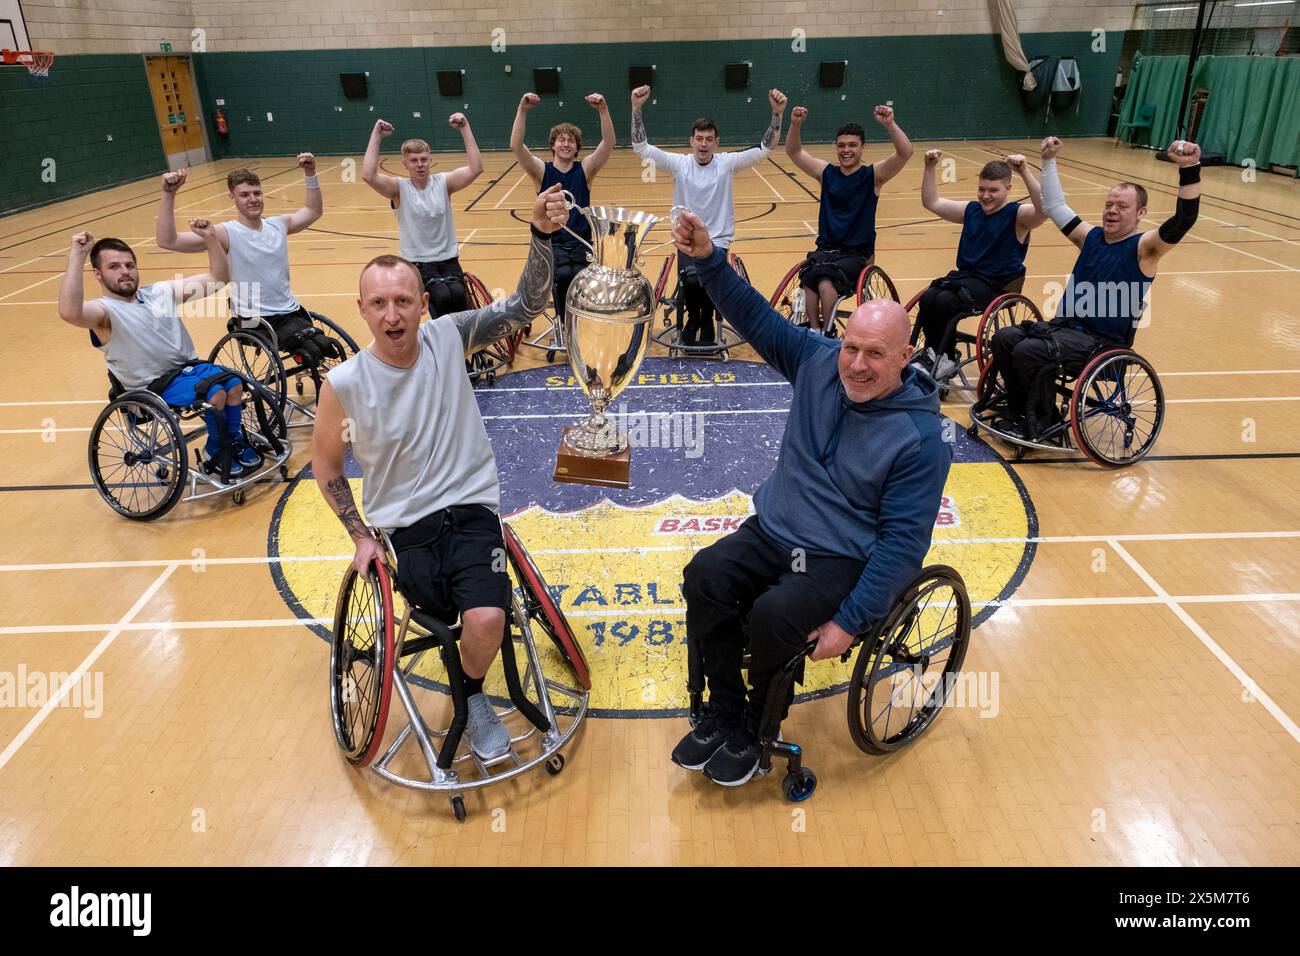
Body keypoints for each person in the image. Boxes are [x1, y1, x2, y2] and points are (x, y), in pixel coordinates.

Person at [667, 210, 953, 786]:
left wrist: (849, 623)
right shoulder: (817, 360)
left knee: (774, 616)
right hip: (775, 530)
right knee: (705, 576)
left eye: (875, 354)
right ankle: (724, 708)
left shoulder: (922, 439)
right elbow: (753, 316)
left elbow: (901, 546)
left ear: (904, 357)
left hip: (837, 557)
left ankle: (756, 727)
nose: (857, 364)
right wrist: (706, 258)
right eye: (852, 347)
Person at [311, 185, 567, 760]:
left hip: (472, 512)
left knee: (483, 617)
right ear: (361, 309)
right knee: (442, 610)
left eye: (403, 300)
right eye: (378, 304)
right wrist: (359, 535)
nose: (391, 314)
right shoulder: (344, 383)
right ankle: (471, 686)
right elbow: (326, 465)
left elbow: (526, 306)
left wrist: (541, 236)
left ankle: (472, 695)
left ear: (423, 302)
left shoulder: (449, 336)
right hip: (406, 530)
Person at [982, 136, 1202, 438]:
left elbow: (1184, 219)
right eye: (1109, 204)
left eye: (1122, 207)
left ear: (1141, 214)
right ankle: (1020, 407)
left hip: (1101, 343)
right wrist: (1048, 161)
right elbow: (1055, 205)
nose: (1112, 210)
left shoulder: (1145, 249)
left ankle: (1043, 419)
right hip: (1065, 329)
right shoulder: (1090, 237)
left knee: (1030, 351)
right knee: (1005, 338)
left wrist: (1189, 168)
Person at [57, 225, 258, 478]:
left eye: (129, 265)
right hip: (152, 388)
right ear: (97, 274)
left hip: (189, 371)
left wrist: (210, 239)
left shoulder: (159, 292)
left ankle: (233, 441)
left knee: (235, 384)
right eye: (114, 267)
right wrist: (77, 256)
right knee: (215, 392)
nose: (125, 272)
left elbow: (218, 278)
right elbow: (69, 312)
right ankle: (216, 449)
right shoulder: (103, 312)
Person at [631, 84, 787, 347]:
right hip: (687, 240)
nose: (704, 144)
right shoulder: (679, 164)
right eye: (699, 139)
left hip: (718, 241)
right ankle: (695, 319)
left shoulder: (726, 164)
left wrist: (777, 114)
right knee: (691, 282)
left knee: (710, 282)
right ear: (691, 141)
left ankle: (706, 321)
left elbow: (764, 150)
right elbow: (641, 148)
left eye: (709, 139)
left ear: (716, 142)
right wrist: (636, 108)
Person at [156, 156, 343, 371]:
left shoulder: (278, 225)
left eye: (257, 193)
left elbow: (313, 211)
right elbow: (167, 240)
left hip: (291, 312)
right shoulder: (225, 233)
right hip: (253, 320)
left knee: (327, 347)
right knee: (313, 350)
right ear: (232, 198)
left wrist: (310, 174)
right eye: (244, 195)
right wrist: (169, 194)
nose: (253, 199)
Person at [916, 151, 1047, 381]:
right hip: (966, 278)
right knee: (929, 297)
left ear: (1008, 189)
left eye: (993, 190)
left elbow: (1044, 210)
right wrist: (929, 167)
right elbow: (931, 202)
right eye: (982, 189)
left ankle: (944, 357)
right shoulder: (971, 210)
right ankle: (934, 352)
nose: (985, 196)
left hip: (997, 285)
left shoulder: (1018, 216)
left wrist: (1024, 170)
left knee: (946, 302)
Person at [784, 103, 913, 332]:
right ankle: (815, 331)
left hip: (856, 255)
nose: (846, 150)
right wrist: (795, 124)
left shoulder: (872, 176)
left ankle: (828, 331)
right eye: (842, 145)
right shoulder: (827, 174)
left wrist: (889, 124)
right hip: (826, 250)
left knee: (824, 282)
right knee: (809, 278)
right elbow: (794, 151)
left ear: (863, 148)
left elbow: (905, 153)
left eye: (853, 145)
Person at [510, 91, 615, 330]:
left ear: (576, 147)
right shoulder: (541, 171)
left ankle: (580, 322)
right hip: (552, 244)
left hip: (580, 242)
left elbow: (608, 143)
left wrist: (603, 110)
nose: (566, 144)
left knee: (580, 276)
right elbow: (516, 146)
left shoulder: (585, 169)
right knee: (564, 275)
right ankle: (565, 325)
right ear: (553, 145)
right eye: (561, 140)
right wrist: (522, 110)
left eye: (571, 141)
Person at [362, 114, 485, 316]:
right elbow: (368, 175)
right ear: (405, 164)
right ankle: (444, 343)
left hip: (448, 258)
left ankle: (466, 344)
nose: (419, 164)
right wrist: (377, 135)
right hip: (419, 262)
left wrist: (465, 127)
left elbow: (476, 168)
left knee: (458, 296)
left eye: (424, 159)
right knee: (442, 297)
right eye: (414, 161)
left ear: (430, 161)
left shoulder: (444, 183)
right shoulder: (399, 189)